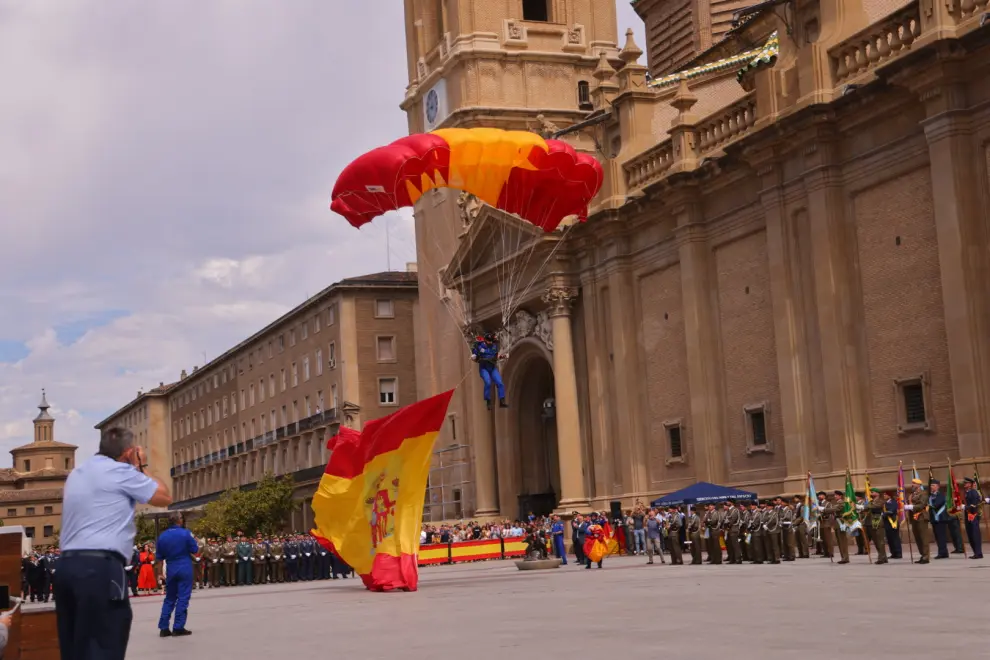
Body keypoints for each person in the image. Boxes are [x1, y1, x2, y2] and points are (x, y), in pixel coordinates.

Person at [55, 426, 172, 660]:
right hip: (100, 567)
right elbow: (164, 496)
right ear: (128, 453)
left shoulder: (78, 473)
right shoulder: (120, 472)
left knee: (75, 648)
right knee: (104, 643)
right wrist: (141, 466)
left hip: (66, 567)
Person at [156, 512, 198, 637]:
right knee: (183, 598)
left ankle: (163, 628)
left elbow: (159, 558)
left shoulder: (162, 536)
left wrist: (159, 573)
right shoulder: (185, 533)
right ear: (179, 520)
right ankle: (178, 627)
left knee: (169, 598)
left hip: (171, 568)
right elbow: (194, 550)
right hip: (184, 567)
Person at [470, 332, 507, 409]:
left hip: (492, 368)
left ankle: (502, 400)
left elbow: (495, 356)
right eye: (488, 341)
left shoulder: (494, 347)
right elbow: (475, 355)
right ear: (485, 340)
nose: (490, 342)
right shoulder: (480, 347)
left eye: (491, 341)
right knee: (488, 382)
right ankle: (488, 401)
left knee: (500, 383)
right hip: (484, 368)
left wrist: (503, 356)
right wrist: (474, 356)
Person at [906, 478, 931, 564]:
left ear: (919, 485)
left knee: (923, 537)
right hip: (914, 518)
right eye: (912, 483)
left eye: (914, 484)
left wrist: (911, 507)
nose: (912, 485)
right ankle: (922, 554)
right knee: (917, 537)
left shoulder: (923, 493)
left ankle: (926, 556)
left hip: (921, 517)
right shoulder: (911, 495)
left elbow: (921, 505)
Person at [928, 479, 949, 559]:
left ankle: (942, 552)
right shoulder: (930, 496)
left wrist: (929, 505)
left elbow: (937, 504)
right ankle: (943, 552)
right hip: (934, 519)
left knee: (941, 536)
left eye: (933, 485)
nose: (931, 487)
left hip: (940, 518)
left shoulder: (941, 495)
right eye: (931, 485)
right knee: (937, 536)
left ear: (938, 487)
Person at [963, 477, 983, 559]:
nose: (964, 484)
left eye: (966, 483)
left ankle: (978, 553)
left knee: (975, 535)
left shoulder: (973, 492)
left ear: (970, 484)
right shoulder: (967, 492)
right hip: (968, 515)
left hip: (973, 516)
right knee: (970, 534)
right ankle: (976, 552)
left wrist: (965, 507)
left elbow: (974, 505)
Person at [882, 491, 903, 559]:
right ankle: (893, 553)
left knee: (895, 538)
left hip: (893, 522)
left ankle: (898, 553)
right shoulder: (884, 503)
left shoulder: (893, 502)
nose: (884, 496)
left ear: (889, 496)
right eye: (884, 495)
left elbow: (892, 510)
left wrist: (884, 514)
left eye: (885, 494)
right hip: (886, 523)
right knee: (889, 539)